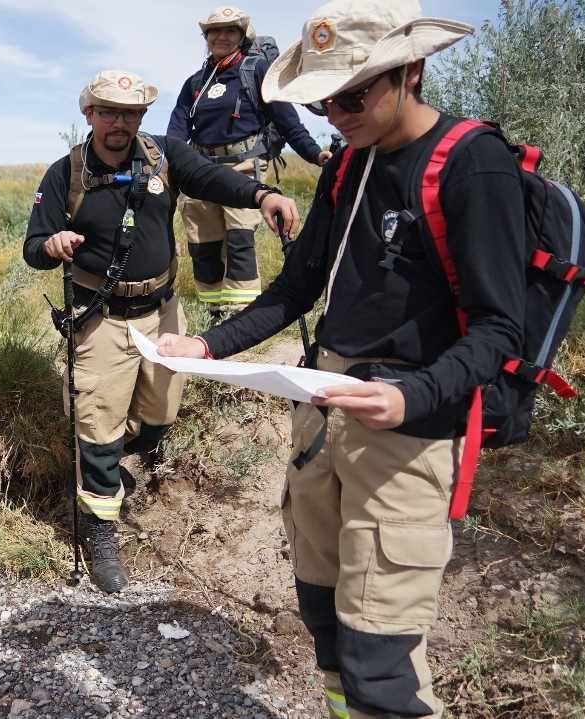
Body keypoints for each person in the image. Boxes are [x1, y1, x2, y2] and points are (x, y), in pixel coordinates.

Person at [157, 2, 519, 716]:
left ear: (410, 71)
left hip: (409, 438)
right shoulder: (349, 163)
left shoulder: (475, 164)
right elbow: (296, 287)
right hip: (323, 417)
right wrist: (205, 345)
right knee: (324, 623)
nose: (334, 114)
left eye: (352, 95)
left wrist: (411, 397)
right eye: (324, 98)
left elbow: (499, 328)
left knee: (381, 666)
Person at [24, 69, 300, 594]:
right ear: (89, 114)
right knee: (98, 424)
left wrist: (262, 195)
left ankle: (106, 468)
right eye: (109, 112)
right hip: (99, 317)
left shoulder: (163, 156)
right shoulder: (65, 173)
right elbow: (32, 247)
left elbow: (214, 178)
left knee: (159, 417)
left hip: (163, 311)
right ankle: (101, 530)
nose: (119, 123)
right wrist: (52, 244)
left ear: (141, 118)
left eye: (130, 113)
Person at [167, 6, 332, 321]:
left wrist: (314, 153)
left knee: (239, 239)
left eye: (230, 31)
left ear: (242, 36)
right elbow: (177, 130)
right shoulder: (195, 83)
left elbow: (287, 122)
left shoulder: (257, 71)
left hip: (243, 168)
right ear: (206, 38)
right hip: (201, 172)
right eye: (214, 31)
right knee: (204, 244)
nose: (221, 37)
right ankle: (214, 311)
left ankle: (241, 314)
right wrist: (168, 162)